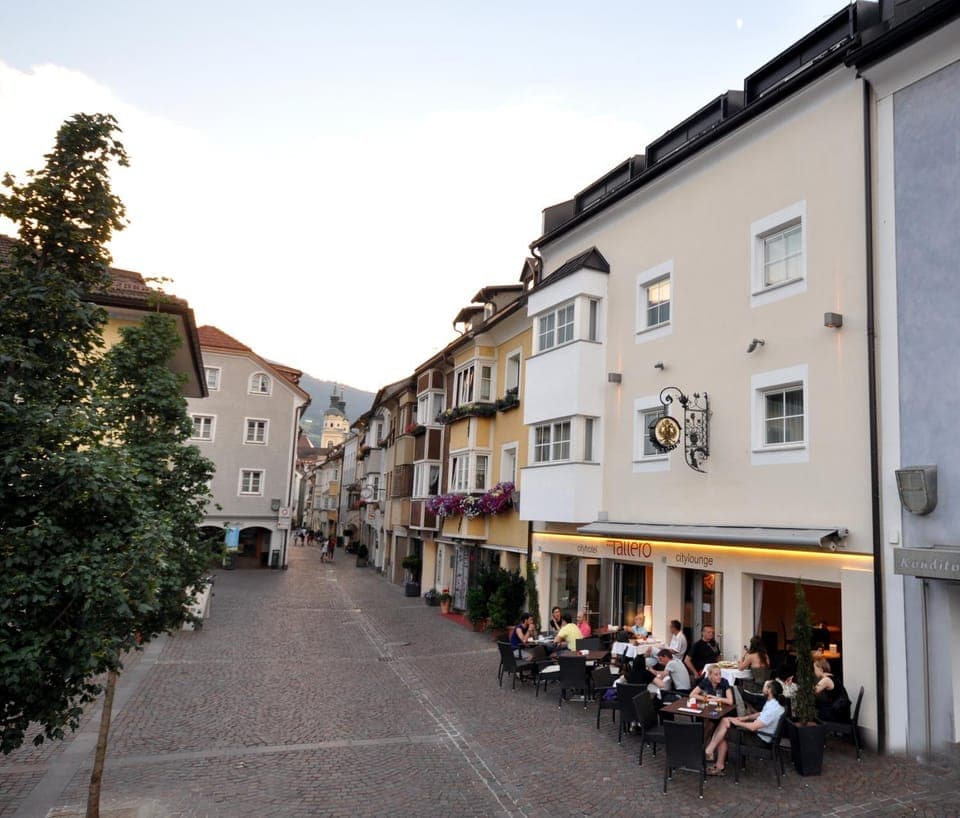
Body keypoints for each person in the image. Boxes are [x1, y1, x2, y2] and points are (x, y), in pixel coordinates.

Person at [703, 679, 786, 776]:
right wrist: (745, 717)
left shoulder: (772, 709)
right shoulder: (774, 703)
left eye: (765, 686)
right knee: (724, 723)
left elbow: (753, 727)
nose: (762, 688)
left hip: (760, 740)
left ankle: (713, 757)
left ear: (769, 690)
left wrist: (737, 722)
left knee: (724, 727)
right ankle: (712, 755)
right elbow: (761, 714)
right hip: (763, 737)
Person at [813, 658, 851, 722]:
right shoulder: (832, 677)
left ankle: (814, 731)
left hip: (838, 715)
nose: (814, 671)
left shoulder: (826, 680)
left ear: (821, 670)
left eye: (814, 669)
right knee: (818, 705)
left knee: (813, 711)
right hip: (842, 712)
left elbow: (812, 692)